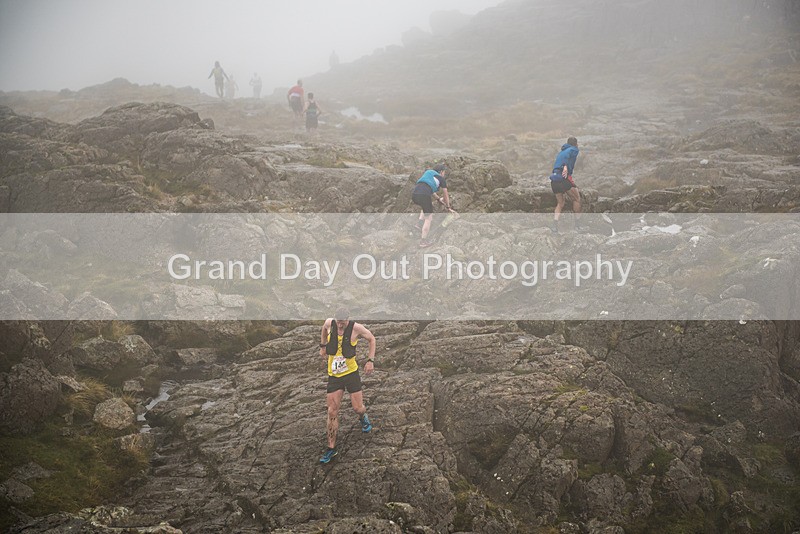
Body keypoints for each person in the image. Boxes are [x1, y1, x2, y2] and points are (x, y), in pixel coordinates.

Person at [318, 307, 376, 464]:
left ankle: (363, 417)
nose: (340, 325)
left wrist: (370, 361)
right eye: (338, 322)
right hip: (334, 376)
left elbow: (372, 339)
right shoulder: (330, 323)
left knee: (358, 408)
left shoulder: (356, 328)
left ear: (348, 319)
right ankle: (331, 448)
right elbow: (324, 329)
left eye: (343, 322)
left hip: (351, 374)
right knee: (332, 411)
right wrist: (323, 346)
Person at [411, 164, 453, 248]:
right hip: (424, 195)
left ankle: (419, 224)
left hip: (414, 194)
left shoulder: (428, 172)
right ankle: (423, 241)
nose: (444, 174)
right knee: (429, 218)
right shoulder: (441, 179)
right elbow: (445, 194)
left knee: (424, 206)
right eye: (444, 172)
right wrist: (448, 207)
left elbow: (428, 187)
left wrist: (438, 199)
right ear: (441, 172)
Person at [549, 137, 581, 232]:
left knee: (560, 203)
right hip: (563, 179)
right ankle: (577, 226)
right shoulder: (573, 149)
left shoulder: (561, 152)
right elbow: (568, 161)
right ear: (575, 144)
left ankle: (554, 226)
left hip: (554, 179)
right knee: (577, 199)